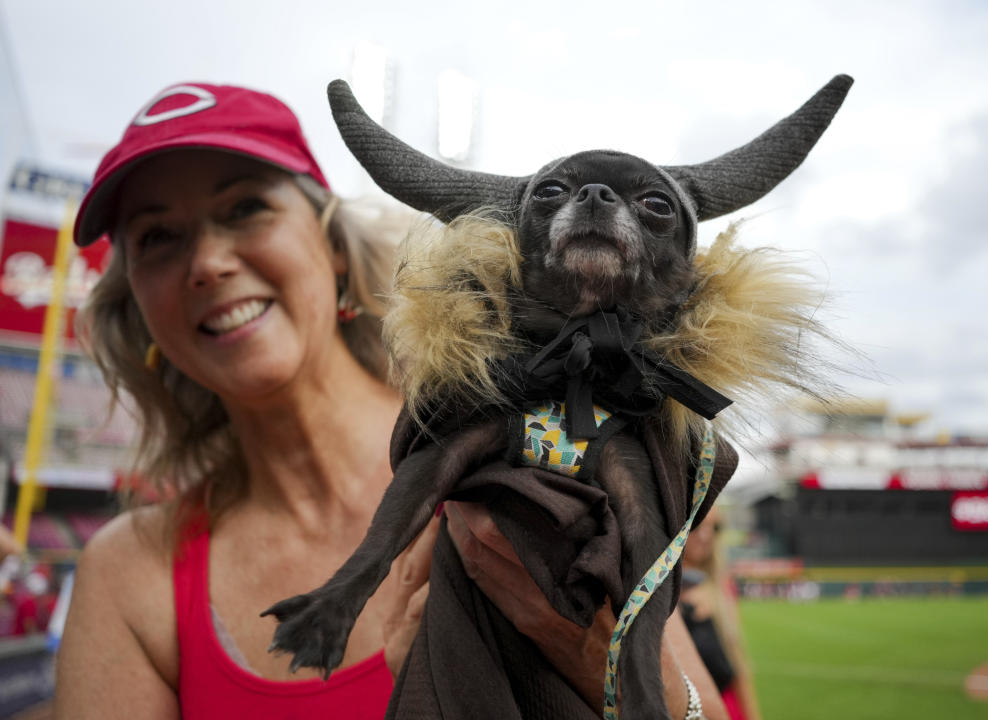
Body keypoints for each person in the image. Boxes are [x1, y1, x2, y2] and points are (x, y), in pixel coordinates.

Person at [53, 81, 726, 720]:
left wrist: (586, 661)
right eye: (157, 237)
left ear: (334, 250)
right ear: (136, 305)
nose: (207, 262)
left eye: (244, 209)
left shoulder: (551, 433)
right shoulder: (126, 576)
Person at [679, 506, 762, 720]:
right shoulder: (659, 590)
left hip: (725, 706)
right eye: (698, 525)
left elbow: (736, 658)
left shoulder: (720, 585)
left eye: (714, 528)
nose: (706, 536)